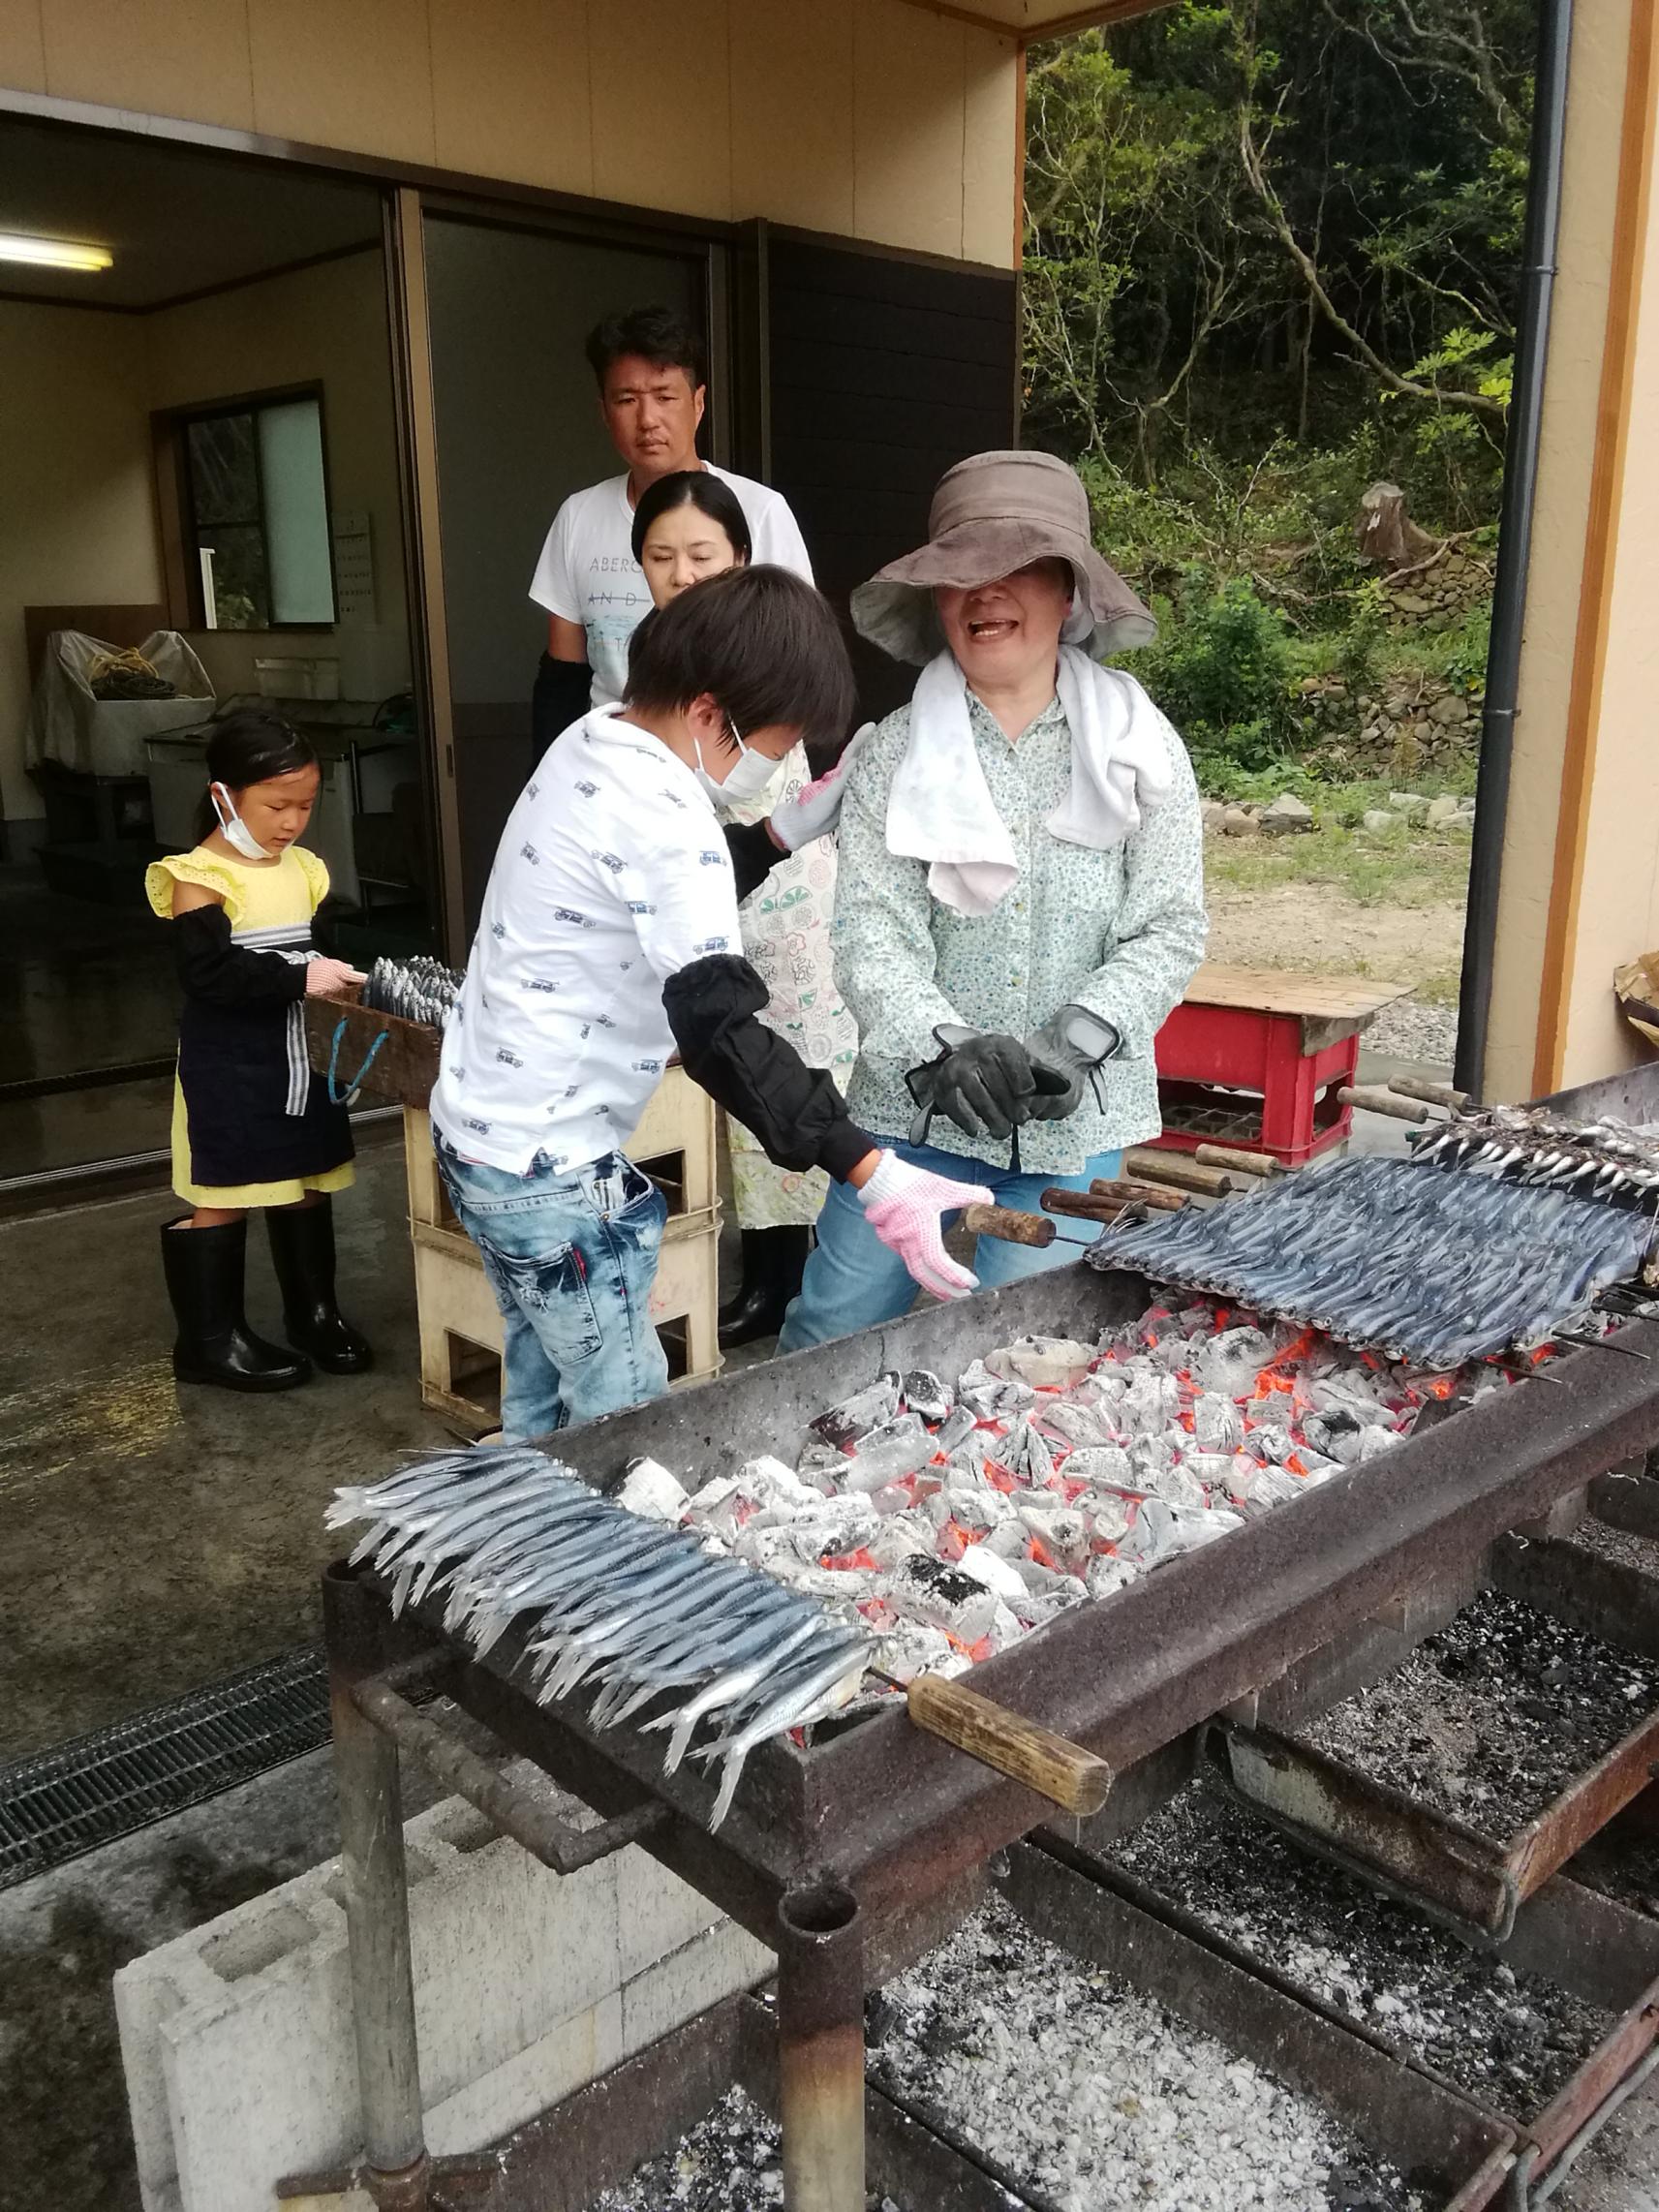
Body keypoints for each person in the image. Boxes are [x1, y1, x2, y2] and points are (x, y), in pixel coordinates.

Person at [428, 566, 992, 1443]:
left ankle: (524, 1542)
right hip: (554, 1173)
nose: (769, 762)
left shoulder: (592, 739)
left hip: (481, 1139)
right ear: (703, 712)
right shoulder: (668, 814)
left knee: (543, 1392)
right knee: (623, 1422)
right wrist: (870, 1172)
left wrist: (774, 835)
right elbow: (718, 1029)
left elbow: (646, 887)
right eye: (768, 742)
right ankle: (600, 1576)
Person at [778, 448, 1208, 1353]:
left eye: (1017, 569)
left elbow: (1169, 925)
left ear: (1067, 593)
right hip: (908, 1121)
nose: (985, 594)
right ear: (933, 601)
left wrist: (1077, 1039)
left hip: (1074, 1126)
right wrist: (946, 1049)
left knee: (1026, 1359)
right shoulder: (891, 753)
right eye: (958, 575)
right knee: (829, 1335)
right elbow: (870, 937)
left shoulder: (1142, 745)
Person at [631, 470, 861, 1346]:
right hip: (702, 887)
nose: (682, 573)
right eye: (662, 557)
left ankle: (790, 1274)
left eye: (701, 554)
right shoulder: (649, 659)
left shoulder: (762, 646)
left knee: (794, 1054)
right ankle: (761, 1268)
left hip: (786, 890)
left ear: (738, 556)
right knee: (721, 1066)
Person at [144, 708, 374, 1392]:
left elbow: (313, 949)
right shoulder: (198, 875)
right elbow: (209, 976)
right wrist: (302, 976)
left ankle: (315, 1313)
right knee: (226, 1187)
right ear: (224, 795)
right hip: (232, 1064)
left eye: (305, 805)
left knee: (302, 1180)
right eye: (276, 805)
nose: (292, 821)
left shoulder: (303, 868)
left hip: (300, 1056)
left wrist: (343, 977)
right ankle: (211, 1342)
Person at [529, 303, 812, 738]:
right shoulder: (578, 516)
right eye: (627, 400)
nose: (647, 420)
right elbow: (563, 679)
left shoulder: (761, 511)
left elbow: (798, 665)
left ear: (698, 403)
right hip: (616, 770)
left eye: (665, 397)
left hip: (733, 766)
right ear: (604, 411)